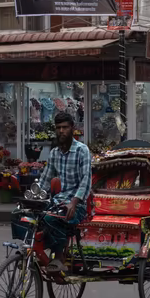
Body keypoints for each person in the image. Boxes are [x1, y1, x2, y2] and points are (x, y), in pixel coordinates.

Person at [36, 112, 93, 273]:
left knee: (51, 218)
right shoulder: (54, 153)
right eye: (58, 128)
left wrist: (74, 202)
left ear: (72, 129)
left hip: (78, 204)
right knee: (30, 216)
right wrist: (34, 197)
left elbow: (85, 181)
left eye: (65, 127)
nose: (61, 131)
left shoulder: (82, 151)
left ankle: (59, 257)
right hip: (59, 201)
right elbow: (45, 179)